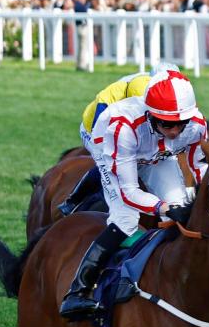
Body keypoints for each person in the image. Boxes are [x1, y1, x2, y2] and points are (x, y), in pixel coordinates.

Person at [58, 69, 207, 320]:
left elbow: (198, 166)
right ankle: (78, 291)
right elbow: (128, 192)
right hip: (107, 139)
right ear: (151, 115)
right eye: (166, 123)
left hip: (153, 150)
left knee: (181, 203)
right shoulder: (121, 127)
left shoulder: (196, 126)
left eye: (180, 124)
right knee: (125, 220)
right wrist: (163, 208)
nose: (174, 131)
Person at [57, 63, 181, 216]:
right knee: (110, 166)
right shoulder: (141, 90)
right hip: (96, 125)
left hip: (130, 122)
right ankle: (73, 201)